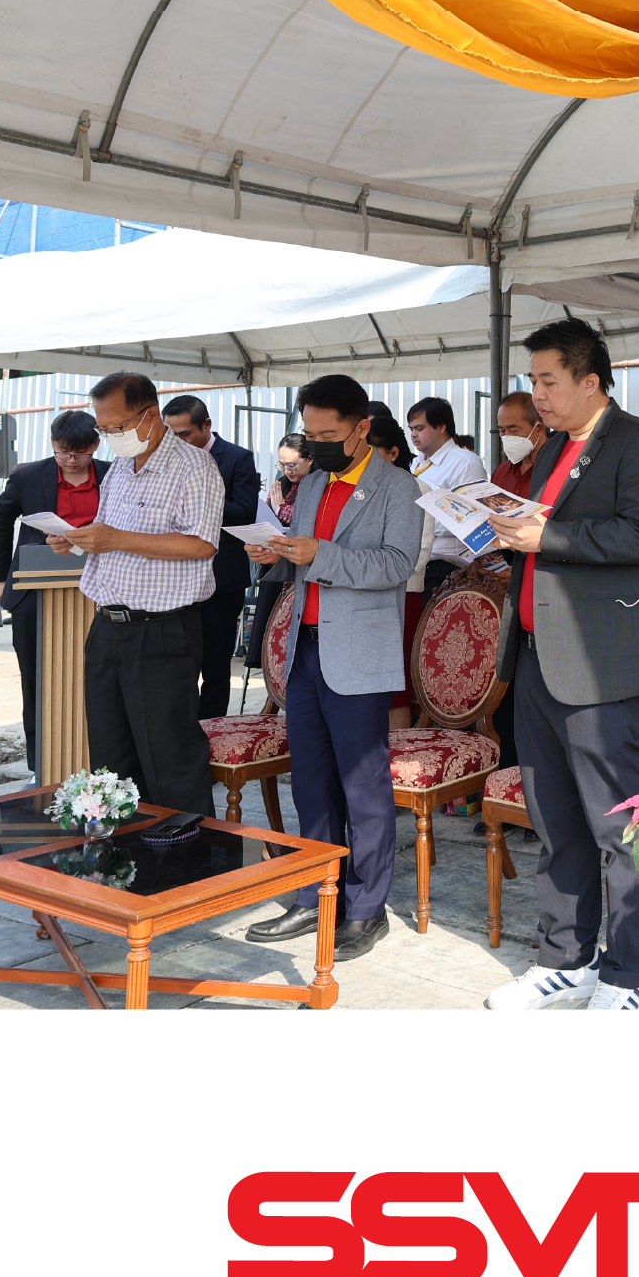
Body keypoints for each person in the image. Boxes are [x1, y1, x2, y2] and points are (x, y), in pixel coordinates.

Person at [482, 318, 639, 1011]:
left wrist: (549, 536)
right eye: (532, 381)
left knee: (619, 828)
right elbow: (541, 537)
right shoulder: (551, 449)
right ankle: (565, 959)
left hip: (598, 663)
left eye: (548, 381)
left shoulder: (638, 442)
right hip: (537, 655)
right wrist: (505, 532)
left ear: (590, 381)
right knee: (555, 821)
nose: (537, 394)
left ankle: (628, 976)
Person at [241, 374, 421, 962]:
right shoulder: (314, 482)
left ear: (361, 427)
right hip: (304, 649)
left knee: (362, 786)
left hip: (358, 654)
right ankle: (313, 894)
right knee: (311, 781)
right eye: (309, 434)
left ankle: (366, 909)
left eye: (327, 435)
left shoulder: (397, 486)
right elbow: (297, 559)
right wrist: (273, 553)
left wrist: (320, 553)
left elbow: (395, 565)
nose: (315, 445)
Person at [47, 372, 222, 818]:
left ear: (149, 414)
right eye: (103, 429)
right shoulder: (121, 466)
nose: (111, 436)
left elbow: (202, 543)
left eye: (118, 426)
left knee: (169, 755)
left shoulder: (194, 466)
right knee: (111, 754)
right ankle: (123, 846)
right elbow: (108, 533)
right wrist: (76, 541)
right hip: (107, 625)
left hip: (160, 631)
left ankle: (185, 847)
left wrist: (115, 538)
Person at [0, 409, 110, 774]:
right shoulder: (27, 475)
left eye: (80, 453)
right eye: (63, 452)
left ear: (95, 445)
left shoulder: (112, 475)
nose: (71, 460)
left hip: (101, 586)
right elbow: (1, 523)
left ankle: (99, 757)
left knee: (98, 675)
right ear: (53, 444)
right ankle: (40, 760)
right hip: (35, 588)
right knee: (36, 674)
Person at [161, 395, 262, 721]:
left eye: (184, 434)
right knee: (177, 663)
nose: (177, 442)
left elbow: (244, 513)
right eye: (170, 434)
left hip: (221, 581)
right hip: (173, 578)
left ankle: (212, 733)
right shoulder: (165, 459)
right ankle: (181, 732)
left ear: (206, 425)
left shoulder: (236, 458)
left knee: (216, 664)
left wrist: (200, 499)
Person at [364, 402, 431, 733]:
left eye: (372, 451)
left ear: (393, 453)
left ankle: (398, 759)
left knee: (395, 693)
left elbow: (418, 556)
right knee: (363, 690)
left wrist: (364, 566)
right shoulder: (359, 492)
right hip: (361, 601)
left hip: (400, 601)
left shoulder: (419, 489)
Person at [406, 395, 488, 590]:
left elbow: (471, 519)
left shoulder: (465, 462)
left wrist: (417, 526)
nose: (414, 435)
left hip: (449, 566)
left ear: (441, 427)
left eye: (420, 428)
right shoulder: (416, 463)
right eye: (411, 429)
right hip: (418, 564)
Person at [247, 432, 309, 680]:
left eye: (292, 465)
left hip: (299, 564)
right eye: (282, 465)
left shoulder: (318, 485)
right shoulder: (280, 485)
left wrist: (282, 510)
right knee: (271, 625)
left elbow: (305, 521)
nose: (286, 471)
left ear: (310, 460)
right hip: (274, 561)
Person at [490, 390, 546, 498]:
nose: (507, 437)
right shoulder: (501, 472)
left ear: (539, 429)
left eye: (514, 431)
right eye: (502, 431)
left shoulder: (557, 468)